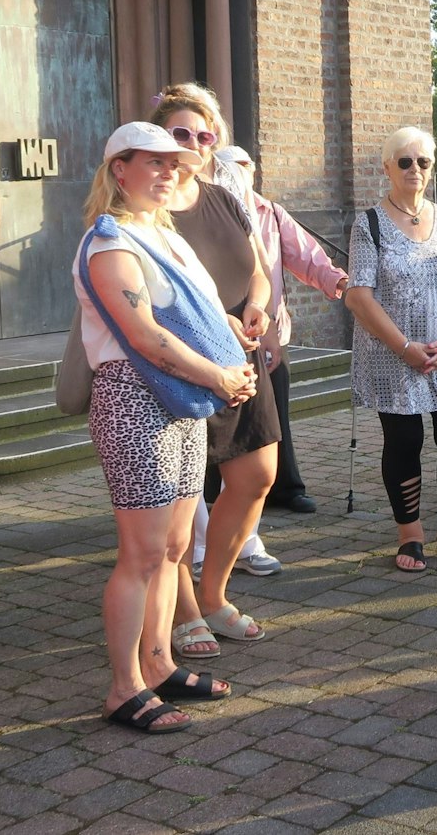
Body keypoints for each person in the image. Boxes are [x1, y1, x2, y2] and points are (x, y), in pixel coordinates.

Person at [76, 122, 254, 734]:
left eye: (174, 163)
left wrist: (227, 337)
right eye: (150, 162)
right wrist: (219, 377)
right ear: (118, 169)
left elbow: (191, 314)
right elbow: (144, 337)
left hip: (181, 400)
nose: (167, 171)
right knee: (143, 552)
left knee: (174, 549)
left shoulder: (164, 234)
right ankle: (123, 687)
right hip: (136, 399)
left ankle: (160, 662)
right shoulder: (111, 241)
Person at [147, 85, 279, 655]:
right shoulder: (144, 205)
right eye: (181, 134)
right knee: (177, 501)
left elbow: (258, 270)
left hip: (240, 361)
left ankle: (214, 594)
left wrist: (257, 304)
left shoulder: (224, 198)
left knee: (255, 477)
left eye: (205, 136)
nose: (195, 144)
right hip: (178, 365)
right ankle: (183, 613)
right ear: (157, 139)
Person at [345, 127, 437, 571]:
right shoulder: (369, 223)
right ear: (387, 167)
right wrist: (405, 347)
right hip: (394, 356)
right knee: (405, 441)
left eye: (423, 162)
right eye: (405, 161)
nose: (415, 170)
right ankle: (410, 535)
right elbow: (358, 295)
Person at [216, 145, 349, 518]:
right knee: (222, 415)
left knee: (274, 415)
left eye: (246, 165)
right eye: (231, 166)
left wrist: (339, 282)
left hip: (270, 334)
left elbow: (306, 255)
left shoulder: (270, 212)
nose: (240, 172)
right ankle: (213, 491)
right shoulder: (206, 211)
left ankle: (286, 486)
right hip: (219, 334)